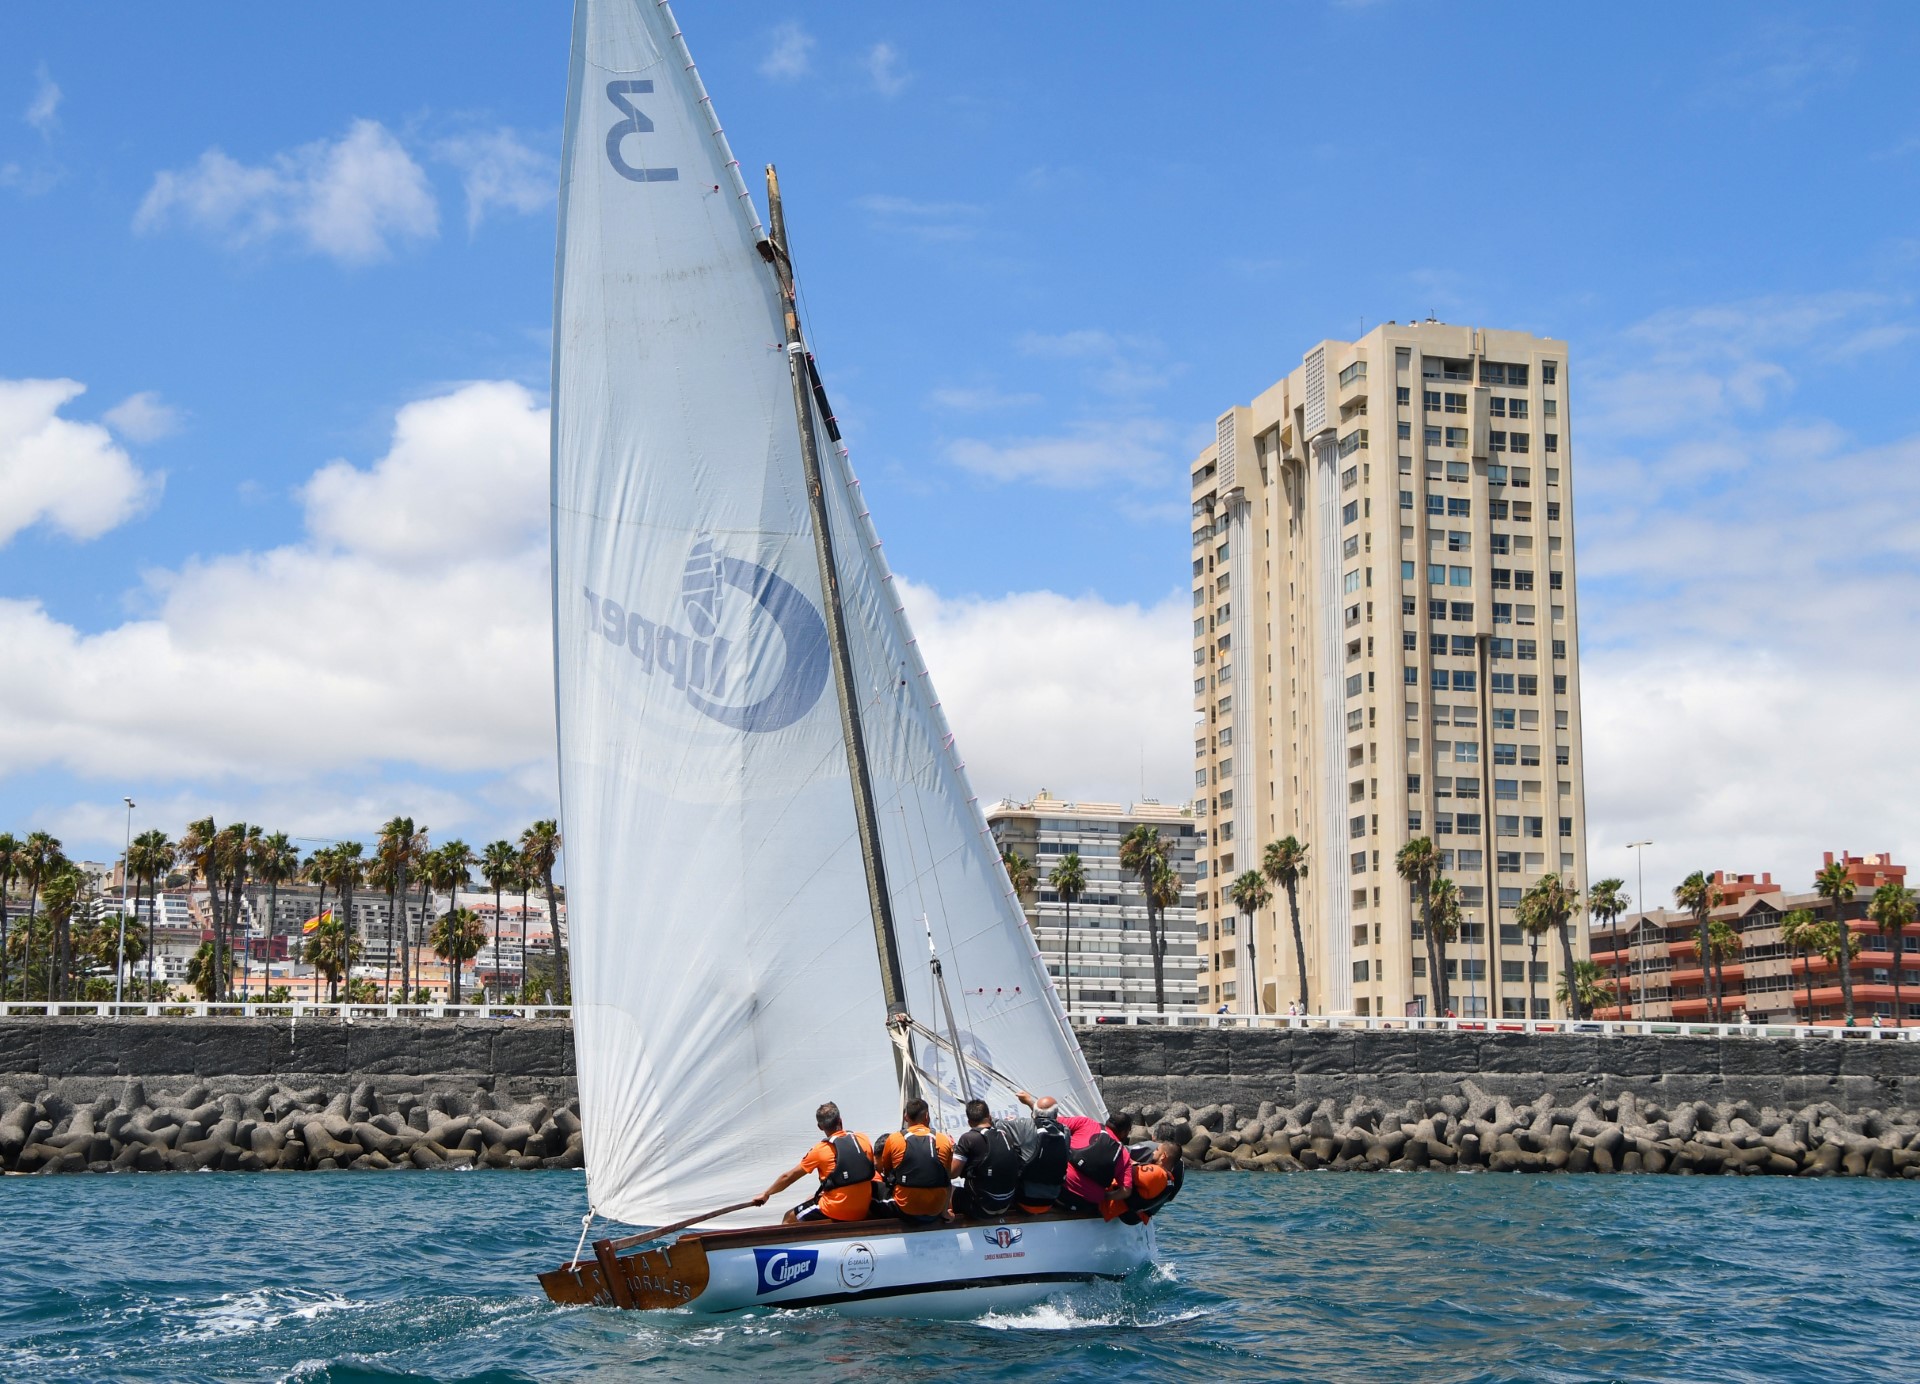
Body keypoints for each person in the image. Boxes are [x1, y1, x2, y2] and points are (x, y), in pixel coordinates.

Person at [751, 1100, 878, 1225]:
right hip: (863, 1207)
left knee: (788, 1218)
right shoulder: (863, 1139)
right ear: (840, 1120)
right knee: (811, 1199)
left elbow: (788, 1177)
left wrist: (767, 1193)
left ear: (820, 1127)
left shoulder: (820, 1150)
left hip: (838, 1209)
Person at [1016, 1090, 1133, 1213]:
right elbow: (1125, 1191)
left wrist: (1030, 1102)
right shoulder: (1124, 1154)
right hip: (1086, 1204)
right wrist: (1104, 1196)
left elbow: (1051, 1121)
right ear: (1124, 1132)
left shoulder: (1087, 1123)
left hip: (1059, 1191)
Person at [876, 1098, 954, 1224]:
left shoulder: (894, 1139)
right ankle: (945, 1212)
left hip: (906, 1210)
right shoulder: (944, 1140)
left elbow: (887, 1171)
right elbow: (948, 1176)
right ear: (927, 1116)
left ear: (906, 1117)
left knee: (875, 1187)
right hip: (936, 1210)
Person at [950, 1097, 1023, 1218]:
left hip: (981, 1208)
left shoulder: (968, 1138)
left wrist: (951, 1150)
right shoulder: (1006, 1136)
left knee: (948, 1190)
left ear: (969, 1122)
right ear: (989, 1116)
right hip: (1006, 1204)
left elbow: (952, 1173)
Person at [1109, 1140, 1183, 1225]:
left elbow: (1126, 1170)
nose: (1154, 1152)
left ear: (1163, 1156)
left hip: (1115, 1208)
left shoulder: (1157, 1173)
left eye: (1157, 1150)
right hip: (1134, 1216)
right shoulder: (1169, 1179)